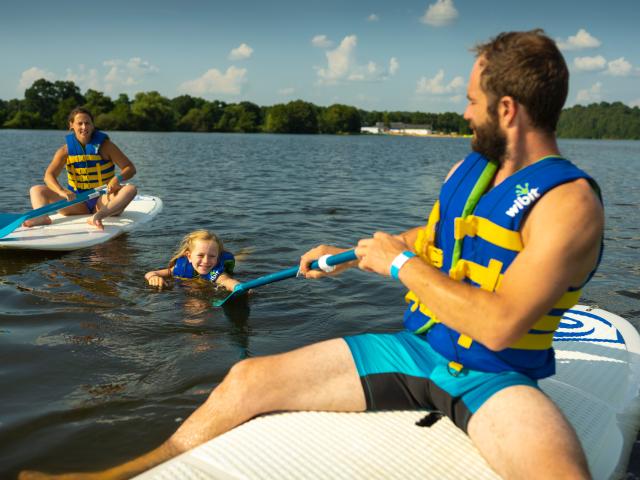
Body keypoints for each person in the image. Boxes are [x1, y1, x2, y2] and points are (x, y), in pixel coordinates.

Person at [20, 29, 603, 480]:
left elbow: (502, 325)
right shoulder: (470, 169)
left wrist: (398, 266)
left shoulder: (568, 204)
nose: (466, 112)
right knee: (248, 378)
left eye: (473, 101)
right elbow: (434, 238)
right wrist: (349, 253)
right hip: (419, 349)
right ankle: (119, 472)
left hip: (495, 379)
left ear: (506, 110)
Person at [23, 107, 137, 230]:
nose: (84, 127)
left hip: (103, 199)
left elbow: (130, 168)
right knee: (36, 190)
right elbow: (48, 176)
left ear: (93, 125)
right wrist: (62, 191)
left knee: (130, 189)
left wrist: (117, 179)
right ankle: (42, 217)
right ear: (71, 125)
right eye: (80, 123)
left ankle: (97, 217)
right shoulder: (64, 151)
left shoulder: (106, 146)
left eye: (87, 123)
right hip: (77, 202)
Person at [145, 229, 240, 292]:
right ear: (189, 257)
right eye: (200, 255)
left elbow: (227, 281)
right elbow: (150, 273)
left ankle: (242, 255)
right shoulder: (182, 267)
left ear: (217, 257)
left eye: (212, 256)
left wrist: (238, 287)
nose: (206, 261)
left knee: (239, 259)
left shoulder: (216, 272)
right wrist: (153, 277)